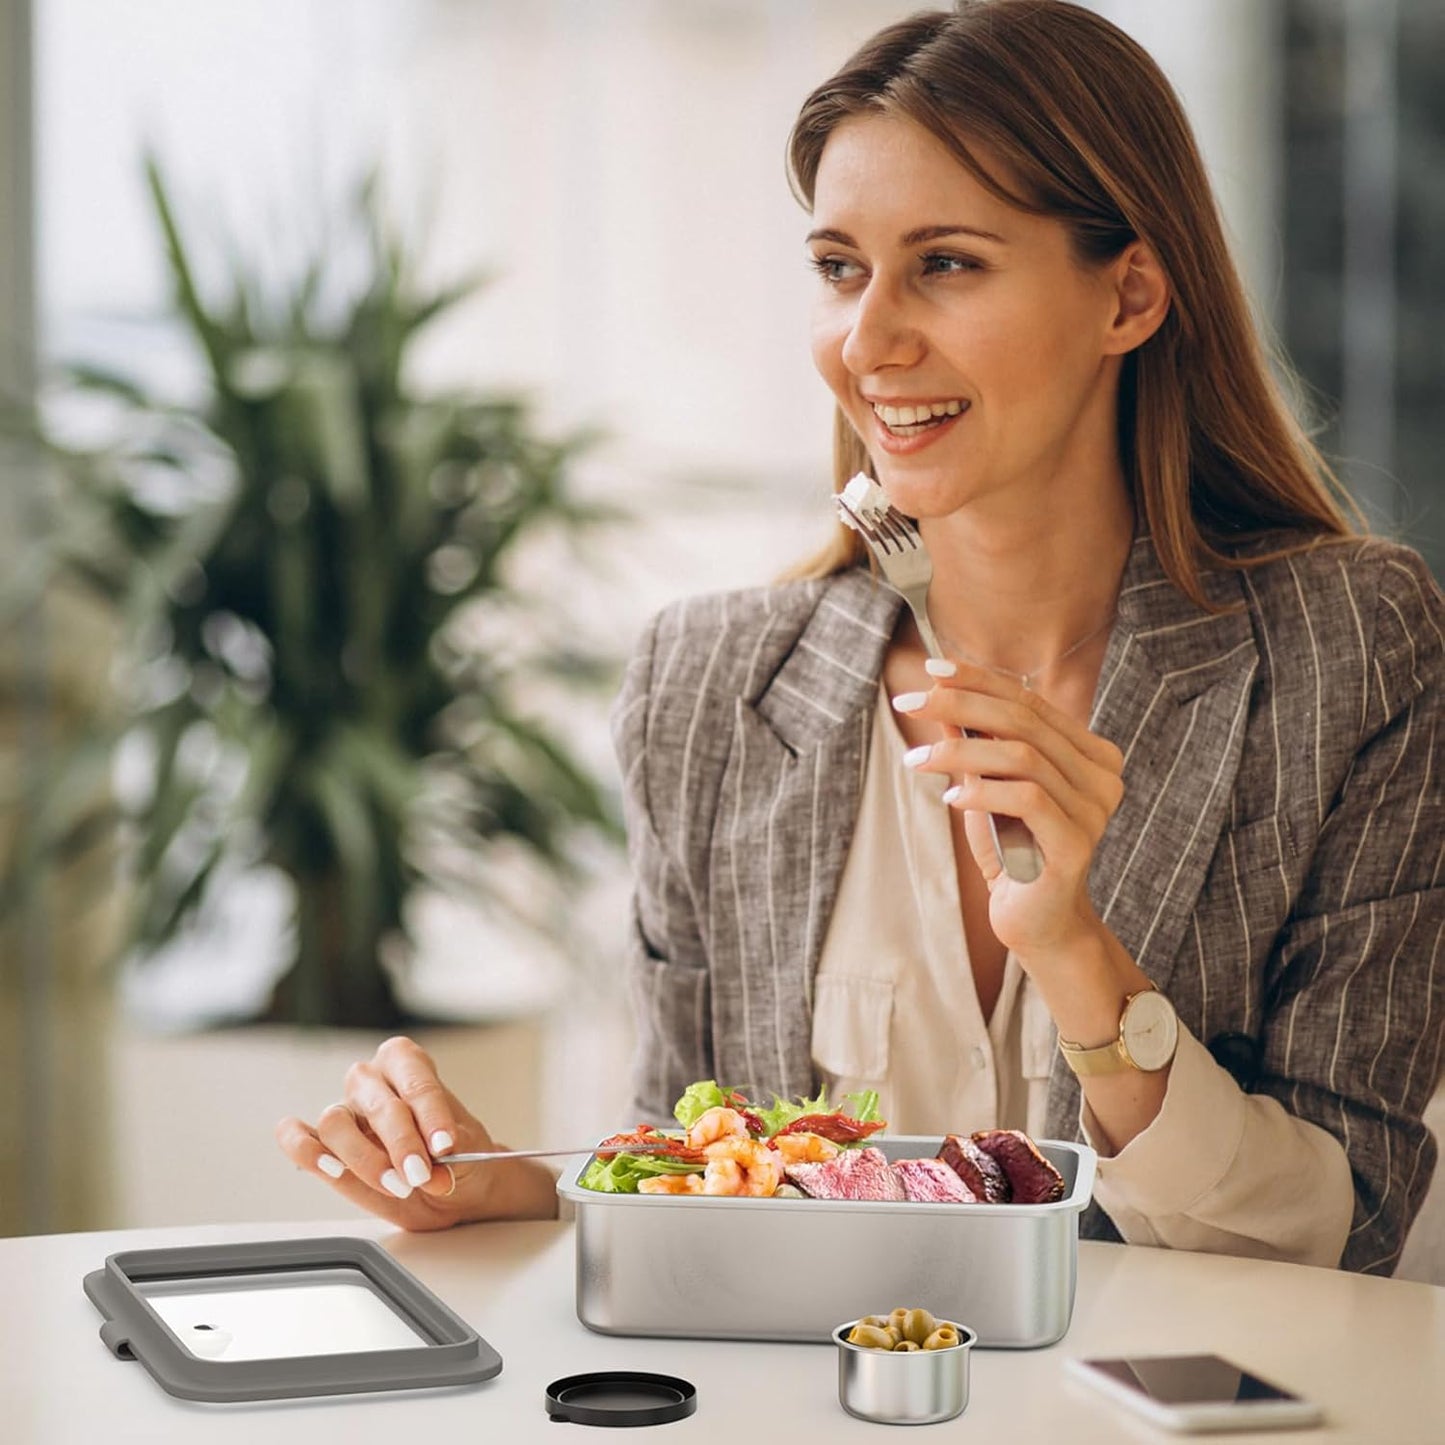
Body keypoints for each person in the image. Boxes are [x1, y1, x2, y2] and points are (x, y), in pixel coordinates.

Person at [275, 0, 1443, 1274]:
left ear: (1130, 293)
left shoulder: (1351, 649)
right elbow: (701, 1166)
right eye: (839, 267)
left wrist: (1075, 952)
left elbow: (1344, 1228)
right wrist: (515, 1191)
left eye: (945, 263)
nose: (866, 340)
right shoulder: (708, 682)